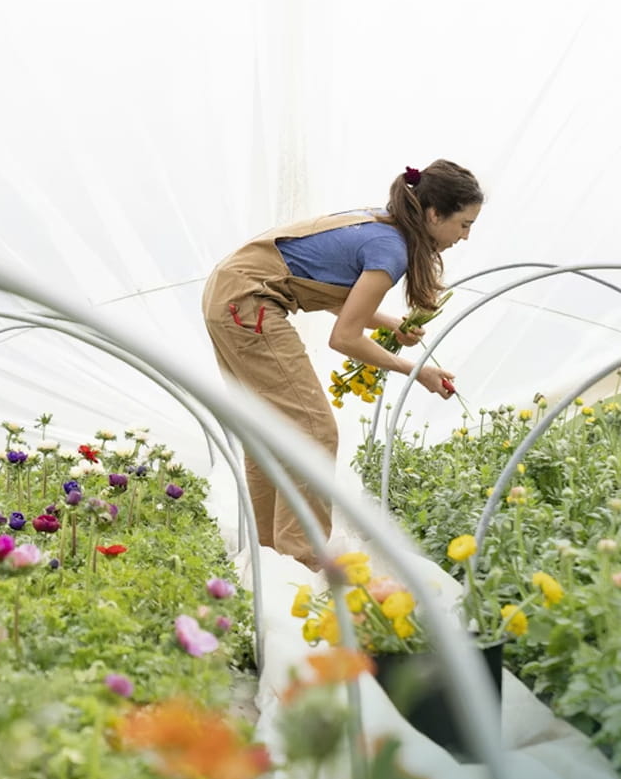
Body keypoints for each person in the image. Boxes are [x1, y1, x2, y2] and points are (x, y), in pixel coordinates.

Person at [201, 159, 483, 569]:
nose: (466, 236)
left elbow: (335, 297)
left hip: (230, 295)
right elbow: (345, 338)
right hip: (249, 303)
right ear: (435, 215)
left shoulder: (381, 223)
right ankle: (302, 559)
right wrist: (416, 372)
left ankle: (266, 561)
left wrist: (390, 323)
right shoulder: (392, 248)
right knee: (315, 431)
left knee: (268, 432)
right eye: (464, 224)